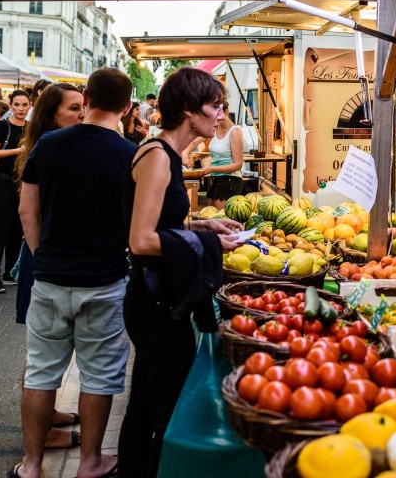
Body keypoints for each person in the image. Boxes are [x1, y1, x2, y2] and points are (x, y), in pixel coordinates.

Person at [119, 67, 248, 477]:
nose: (221, 115)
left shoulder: (164, 154)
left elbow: (159, 225)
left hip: (155, 298)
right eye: (215, 105)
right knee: (167, 410)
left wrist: (202, 226)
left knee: (144, 401)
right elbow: (140, 239)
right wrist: (206, 244)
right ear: (191, 111)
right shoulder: (158, 157)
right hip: (155, 303)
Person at [13, 69, 135, 478]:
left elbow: (26, 209)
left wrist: (41, 255)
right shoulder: (129, 153)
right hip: (104, 279)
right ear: (128, 107)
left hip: (49, 277)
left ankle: (31, 465)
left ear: (86, 97)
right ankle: (90, 463)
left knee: (41, 371)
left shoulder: (47, 144)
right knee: (99, 376)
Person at [12, 83, 86, 452]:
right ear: (52, 113)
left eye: (83, 107)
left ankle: (51, 413)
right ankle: (43, 435)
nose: (82, 114)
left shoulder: (53, 144)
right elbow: (29, 212)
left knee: (46, 351)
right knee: (41, 354)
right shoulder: (46, 146)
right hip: (42, 261)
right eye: (74, 108)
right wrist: (42, 259)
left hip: (44, 259)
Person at [0, 90, 29, 294]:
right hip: (2, 183)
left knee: (17, 231)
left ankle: (9, 273)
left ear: (29, 106)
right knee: (2, 230)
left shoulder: (31, 127)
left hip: (23, 184)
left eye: (24, 105)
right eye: (17, 104)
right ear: (10, 105)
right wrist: (19, 151)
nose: (20, 109)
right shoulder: (3, 125)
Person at [184, 101, 245, 208]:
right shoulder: (214, 128)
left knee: (220, 219)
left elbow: (238, 164)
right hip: (215, 179)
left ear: (226, 112)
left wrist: (212, 169)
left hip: (230, 181)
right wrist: (185, 154)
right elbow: (193, 141)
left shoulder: (234, 132)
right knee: (211, 216)